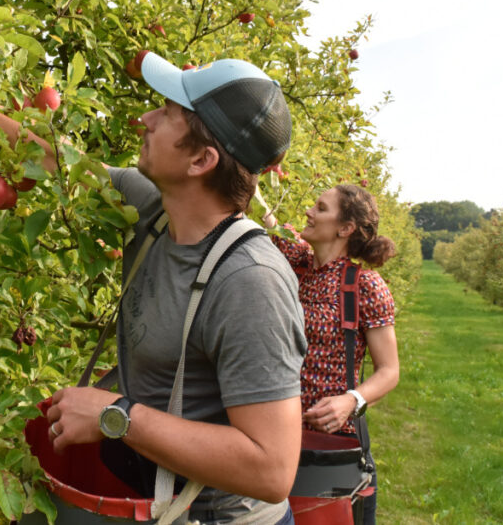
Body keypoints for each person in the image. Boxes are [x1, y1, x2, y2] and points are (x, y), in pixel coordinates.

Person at [31, 53, 308, 524]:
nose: (146, 118)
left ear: (202, 159)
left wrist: (114, 414)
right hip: (153, 504)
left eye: (167, 112)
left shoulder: (250, 282)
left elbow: (271, 468)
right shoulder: (153, 210)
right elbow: (59, 163)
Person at [261, 185, 400, 525]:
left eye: (320, 208)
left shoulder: (365, 286)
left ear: (345, 228)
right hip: (276, 436)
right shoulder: (297, 263)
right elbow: (259, 212)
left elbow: (389, 371)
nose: (309, 211)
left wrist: (351, 401)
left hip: (330, 447)